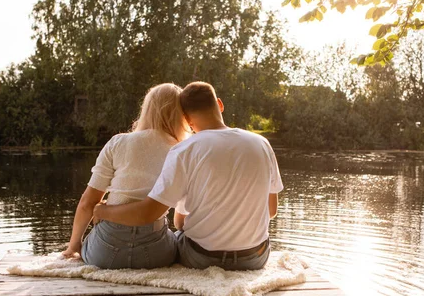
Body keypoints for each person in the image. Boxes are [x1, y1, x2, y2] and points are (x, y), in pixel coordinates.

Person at [94, 81, 283, 271]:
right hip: (254, 257)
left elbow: (159, 216)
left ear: (185, 118)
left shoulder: (184, 150)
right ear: (219, 104)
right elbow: (271, 210)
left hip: (201, 258)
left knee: (174, 239)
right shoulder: (262, 144)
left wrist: (104, 211)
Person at [62, 83, 190, 269]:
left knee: (91, 235)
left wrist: (74, 246)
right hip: (155, 254)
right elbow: (181, 216)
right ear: (181, 116)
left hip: (104, 252)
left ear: (147, 110)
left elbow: (87, 202)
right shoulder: (183, 151)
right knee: (176, 237)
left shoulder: (119, 143)